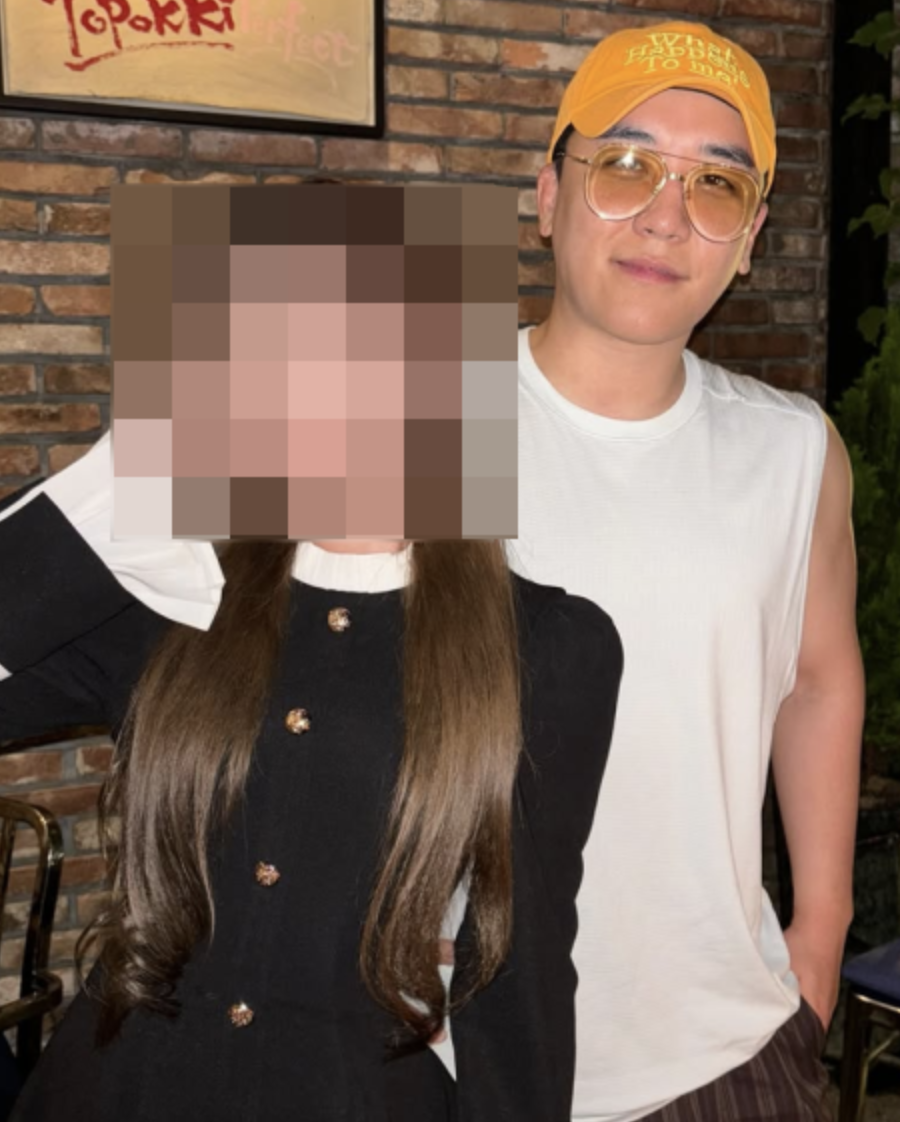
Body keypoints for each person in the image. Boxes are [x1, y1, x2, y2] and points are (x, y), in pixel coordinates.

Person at [0, 432, 623, 1121]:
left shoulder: (544, 643)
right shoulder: (167, 598)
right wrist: (142, 467)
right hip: (116, 1087)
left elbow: (518, 966)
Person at [508, 20, 865, 1122]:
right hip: (445, 1052)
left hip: (722, 1051)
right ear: (549, 194)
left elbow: (818, 679)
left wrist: (820, 936)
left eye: (716, 185)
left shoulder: (793, 450)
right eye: (624, 165)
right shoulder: (415, 413)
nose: (667, 215)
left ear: (748, 238)